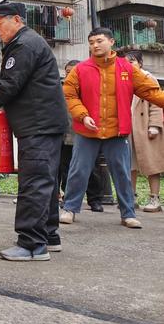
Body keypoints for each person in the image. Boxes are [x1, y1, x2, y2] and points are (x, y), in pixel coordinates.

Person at [0, 2, 69, 262]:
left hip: (38, 125)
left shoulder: (24, 45)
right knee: (46, 181)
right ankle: (49, 235)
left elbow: (8, 86)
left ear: (17, 19)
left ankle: (32, 244)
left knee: (34, 182)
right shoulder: (27, 43)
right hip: (43, 124)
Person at [60, 28, 164, 229]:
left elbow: (151, 92)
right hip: (87, 130)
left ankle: (128, 214)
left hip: (117, 131)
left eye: (99, 41)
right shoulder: (80, 69)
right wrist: (83, 115)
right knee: (78, 171)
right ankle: (70, 209)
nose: (95, 45)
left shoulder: (127, 68)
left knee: (122, 173)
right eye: (91, 42)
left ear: (111, 42)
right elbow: (69, 95)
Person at [58, 60, 108, 212]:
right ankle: (69, 198)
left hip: (86, 134)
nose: (69, 74)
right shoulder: (60, 88)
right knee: (67, 169)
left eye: (72, 71)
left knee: (91, 169)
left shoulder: (91, 86)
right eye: (67, 71)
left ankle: (94, 200)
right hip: (65, 135)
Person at [124, 51, 164, 213]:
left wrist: (154, 126)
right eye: (126, 63)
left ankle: (155, 198)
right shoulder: (124, 80)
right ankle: (131, 196)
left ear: (140, 63)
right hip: (129, 129)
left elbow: (156, 103)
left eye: (132, 62)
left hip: (146, 128)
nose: (129, 65)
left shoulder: (148, 78)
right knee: (130, 164)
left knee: (151, 164)